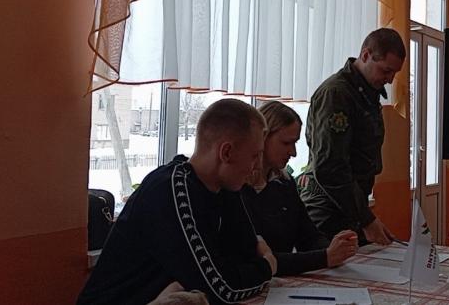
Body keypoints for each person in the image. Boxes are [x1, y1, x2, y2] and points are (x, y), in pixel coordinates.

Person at [78, 99, 276, 305]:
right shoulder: (170, 190)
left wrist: (258, 263)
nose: (257, 167)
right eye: (254, 156)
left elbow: (247, 253)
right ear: (226, 153)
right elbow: (223, 289)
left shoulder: (224, 188)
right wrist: (268, 267)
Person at [298, 28, 406, 245]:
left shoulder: (366, 93)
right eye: (386, 71)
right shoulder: (336, 94)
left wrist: (365, 217)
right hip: (327, 207)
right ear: (365, 55)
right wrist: (367, 220)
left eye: (394, 73)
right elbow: (330, 167)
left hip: (351, 205)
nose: (390, 80)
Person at [238, 101, 358, 275]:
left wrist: (335, 249)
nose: (293, 152)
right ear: (263, 138)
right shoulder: (236, 190)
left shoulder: (285, 184)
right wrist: (324, 257)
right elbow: (258, 259)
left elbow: (307, 236)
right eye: (286, 143)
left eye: (295, 143)